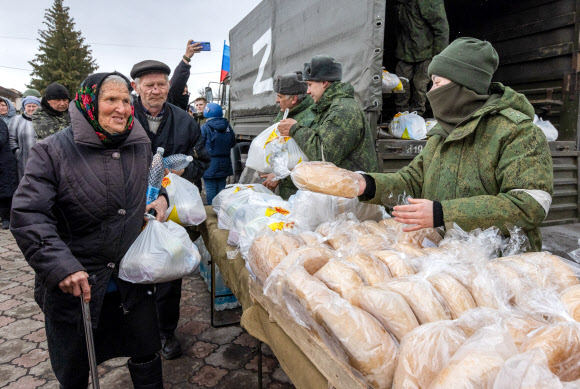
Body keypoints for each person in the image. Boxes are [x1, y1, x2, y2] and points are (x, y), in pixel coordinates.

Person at [10, 72, 169, 388]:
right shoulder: (52, 151)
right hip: (77, 287)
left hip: (130, 281)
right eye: (111, 99)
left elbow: (156, 182)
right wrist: (61, 267)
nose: (121, 108)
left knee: (146, 354)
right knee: (74, 371)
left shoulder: (139, 145)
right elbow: (29, 214)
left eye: (126, 100)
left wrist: (162, 197)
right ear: (88, 103)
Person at [354, 38, 553, 251]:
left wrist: (443, 213)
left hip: (501, 264)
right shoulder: (442, 134)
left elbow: (529, 206)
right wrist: (367, 184)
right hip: (447, 257)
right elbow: (411, 181)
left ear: (465, 85)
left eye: (438, 83)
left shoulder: (517, 132)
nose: (430, 92)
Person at [130, 59, 210, 360]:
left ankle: (166, 333)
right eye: (148, 85)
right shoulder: (125, 117)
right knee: (134, 271)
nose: (155, 90)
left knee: (168, 273)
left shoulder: (185, 120)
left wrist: (182, 174)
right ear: (136, 87)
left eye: (161, 84)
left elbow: (203, 160)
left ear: (168, 86)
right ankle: (137, 334)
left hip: (172, 211)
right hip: (131, 209)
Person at [278, 55, 378, 173]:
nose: (308, 91)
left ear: (324, 82)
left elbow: (324, 156)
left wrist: (295, 129)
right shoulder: (329, 107)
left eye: (310, 85)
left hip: (353, 188)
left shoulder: (342, 110)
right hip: (343, 187)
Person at [261, 71, 315, 199]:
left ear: (294, 99)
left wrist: (279, 175)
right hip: (287, 187)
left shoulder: (311, 117)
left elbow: (313, 158)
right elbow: (279, 147)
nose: (276, 100)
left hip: (304, 191)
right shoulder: (285, 112)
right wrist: (276, 173)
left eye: (280, 96)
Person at [394, 0, 449, 116]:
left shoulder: (427, 2)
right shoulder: (399, 4)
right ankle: (401, 115)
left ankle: (417, 116)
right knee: (400, 82)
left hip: (427, 51)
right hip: (405, 50)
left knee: (420, 85)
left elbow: (442, 29)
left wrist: (438, 57)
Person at [201, 103, 236, 205]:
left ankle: (212, 211)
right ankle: (221, 210)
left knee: (211, 188)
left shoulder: (205, 127)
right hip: (225, 162)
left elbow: (200, 145)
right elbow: (233, 143)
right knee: (222, 187)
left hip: (209, 163)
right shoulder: (228, 126)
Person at [9, 95, 41, 180]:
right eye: (28, 106)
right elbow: (11, 138)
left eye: (34, 106)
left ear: (38, 107)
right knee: (25, 181)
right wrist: (17, 152)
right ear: (24, 107)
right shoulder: (16, 120)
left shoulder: (44, 120)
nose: (31, 108)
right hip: (23, 158)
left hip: (42, 158)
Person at [167, 40, 203, 110]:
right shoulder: (170, 106)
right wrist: (186, 58)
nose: (184, 94)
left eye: (186, 92)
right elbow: (178, 82)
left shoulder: (185, 111)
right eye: (182, 91)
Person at [0, 119, 17, 229]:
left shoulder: (0, 122)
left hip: (3, 162)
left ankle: (7, 218)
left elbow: (1, 140)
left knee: (5, 192)